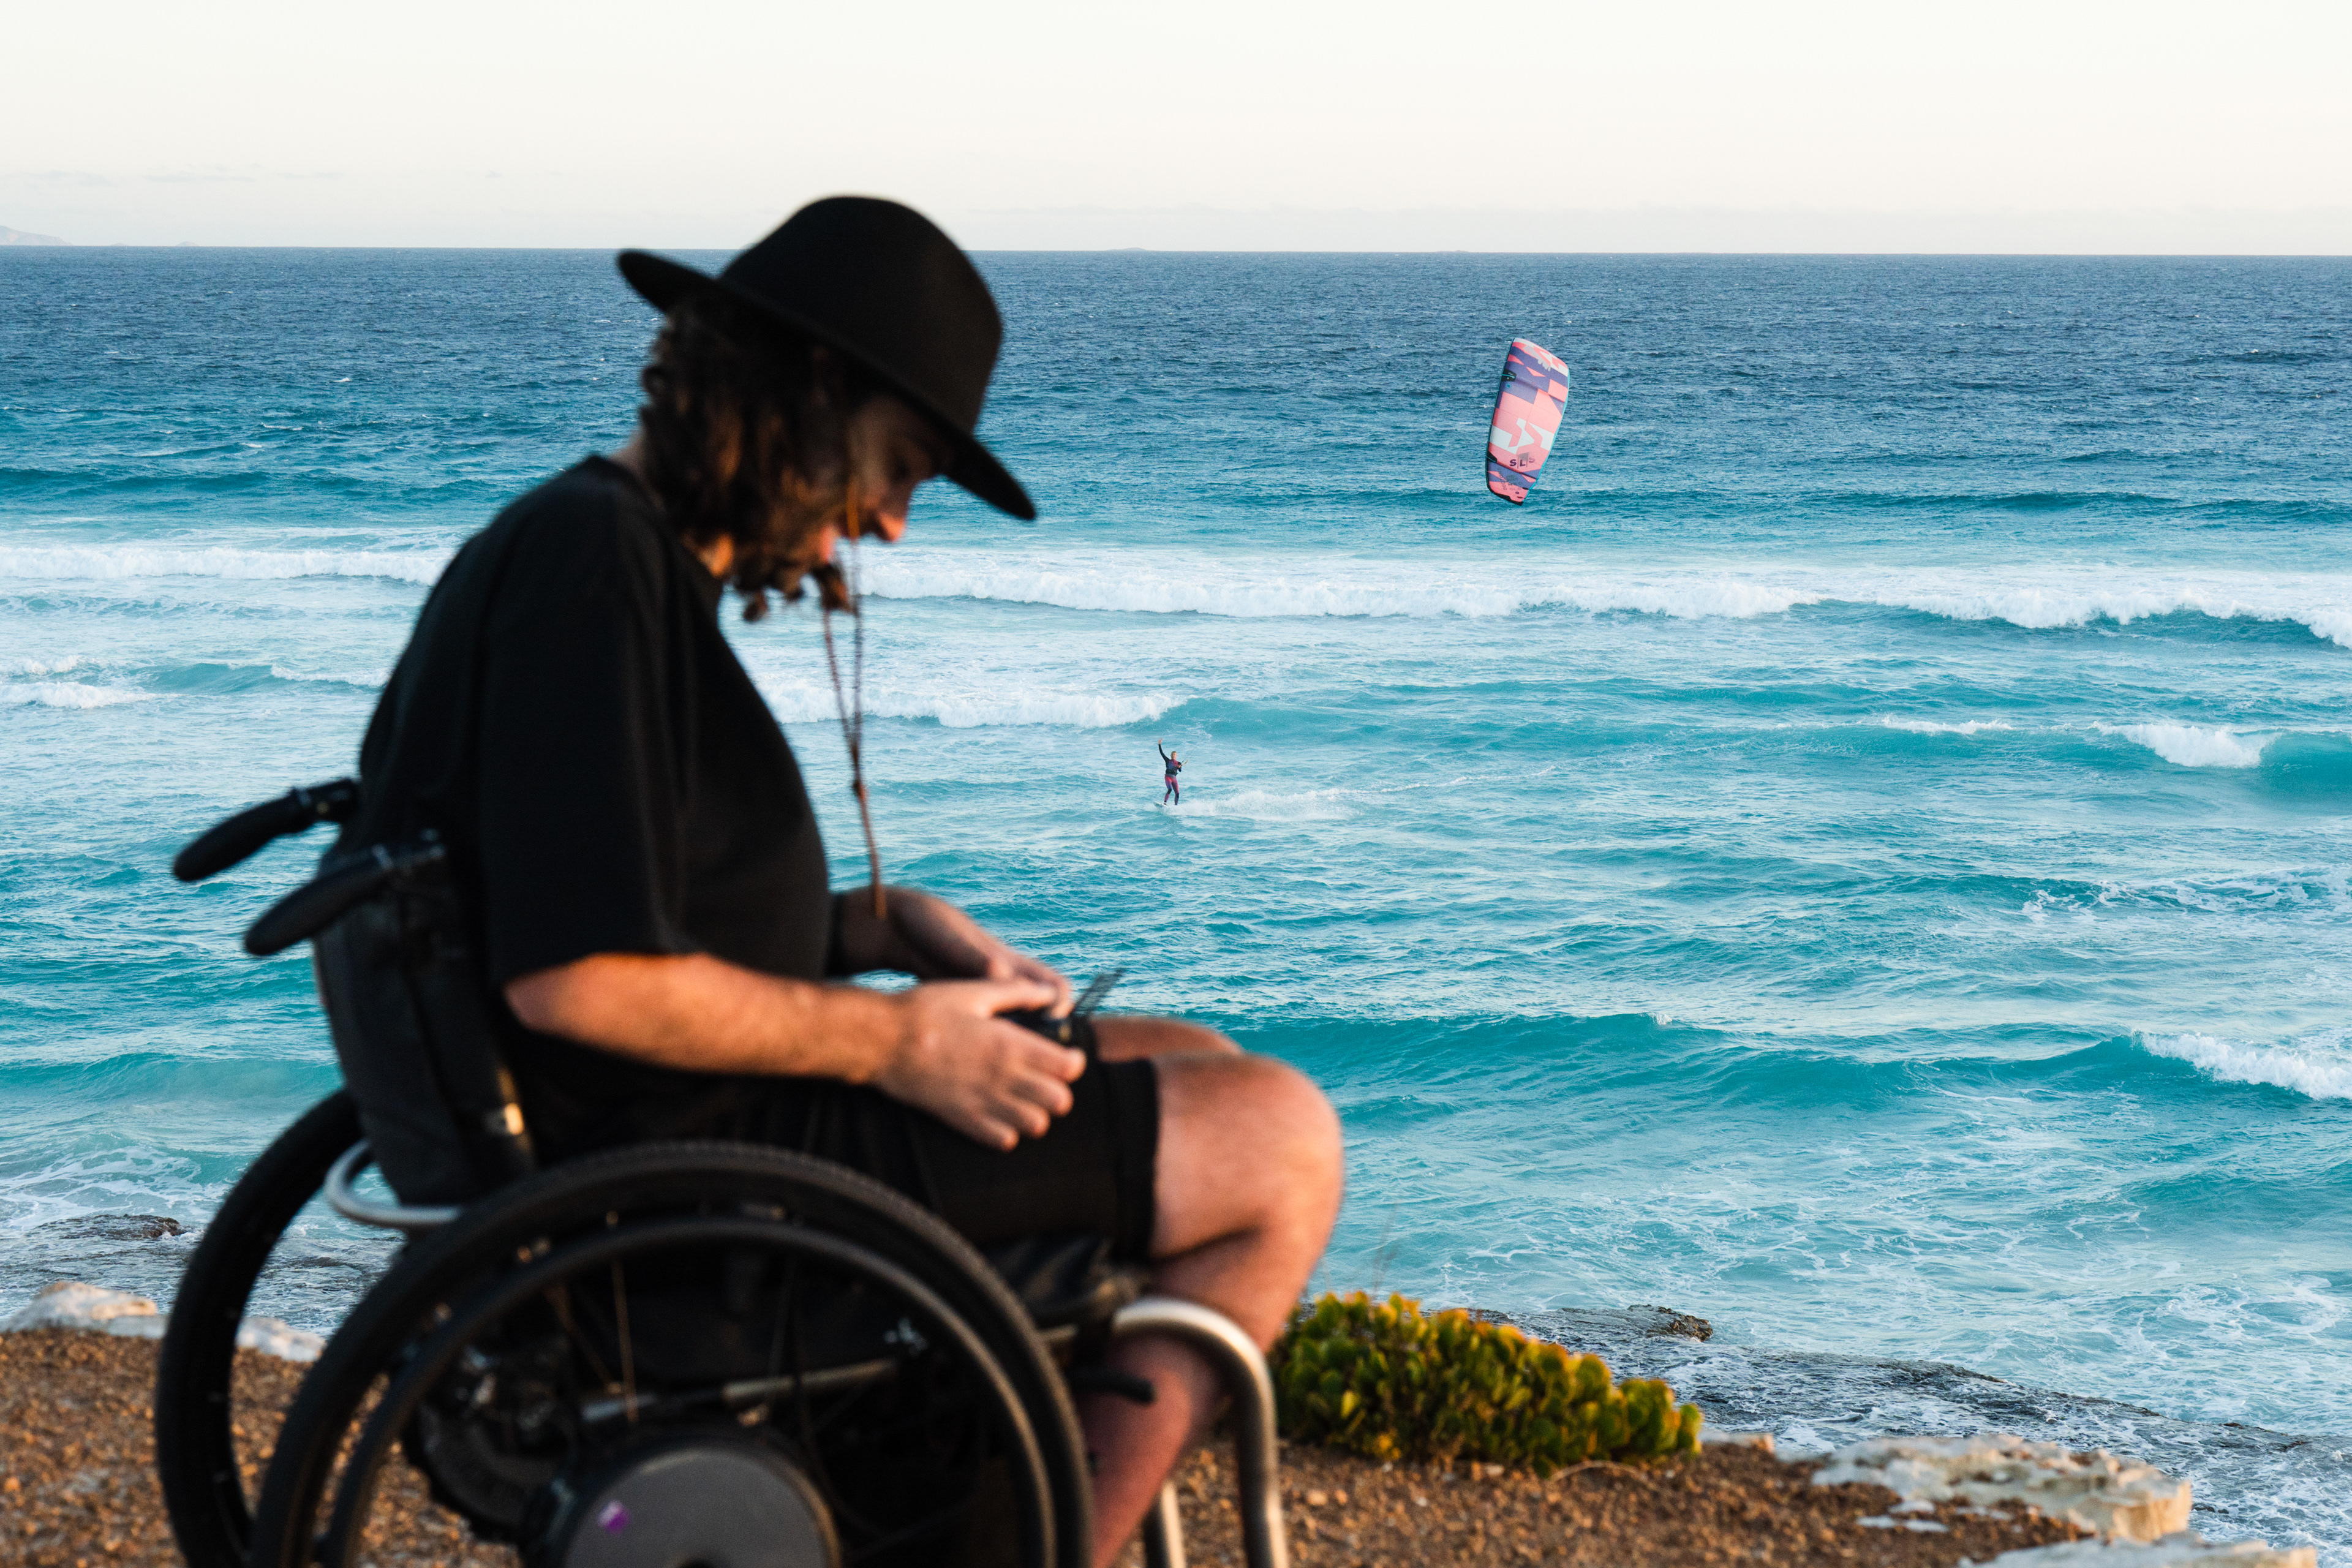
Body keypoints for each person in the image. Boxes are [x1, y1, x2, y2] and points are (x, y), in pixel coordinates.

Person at [336, 197, 1341, 1568]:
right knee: (1280, 1136)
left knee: (1194, 1056)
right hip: (686, 1202)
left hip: (691, 1150)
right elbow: (573, 974)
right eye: (902, 466)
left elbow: (619, 900)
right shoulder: (591, 568)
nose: (894, 524)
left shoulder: (611, 563)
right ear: (809, 392)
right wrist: (893, 1038)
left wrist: (873, 922)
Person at [1159, 741, 1183, 805]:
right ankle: (1165, 803)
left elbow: (1180, 771)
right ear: (1171, 755)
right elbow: (1162, 753)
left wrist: (1180, 767)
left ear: (1176, 756)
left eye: (1174, 755)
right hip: (1168, 777)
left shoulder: (1178, 763)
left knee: (1177, 793)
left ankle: (1176, 806)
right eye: (1172, 754)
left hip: (1174, 778)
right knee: (1170, 789)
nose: (1173, 756)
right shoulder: (1167, 761)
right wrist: (1159, 745)